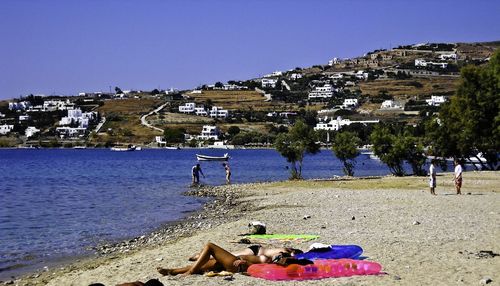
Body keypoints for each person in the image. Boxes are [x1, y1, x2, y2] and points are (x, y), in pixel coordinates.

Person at [157, 242, 269, 276]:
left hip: (237, 264)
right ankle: (173, 271)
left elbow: (261, 269)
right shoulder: (266, 258)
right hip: (236, 264)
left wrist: (245, 263)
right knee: (203, 264)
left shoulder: (266, 259)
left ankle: (191, 271)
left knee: (210, 246)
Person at [188, 244, 303, 262]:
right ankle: (200, 255)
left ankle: (201, 254)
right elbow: (290, 256)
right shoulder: (285, 251)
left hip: (256, 250)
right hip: (256, 251)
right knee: (231, 256)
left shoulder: (283, 249)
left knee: (230, 254)